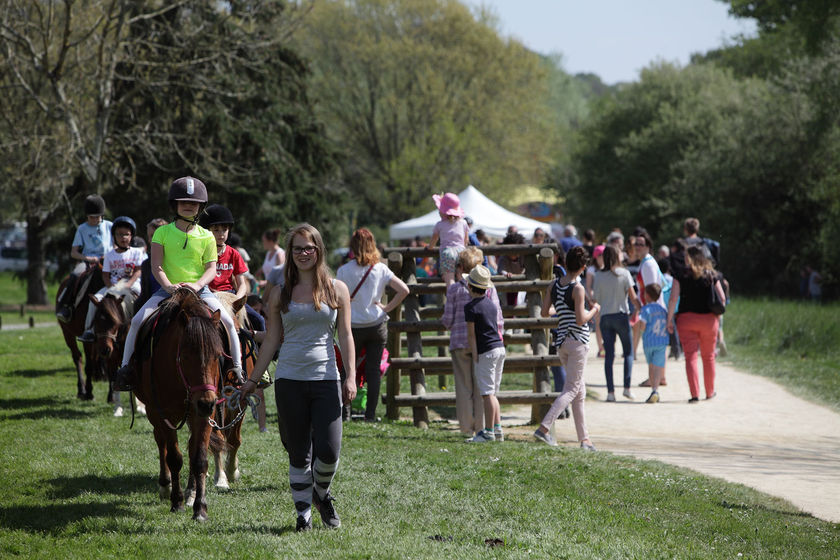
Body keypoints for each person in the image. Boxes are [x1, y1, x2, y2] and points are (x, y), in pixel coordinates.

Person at [240, 223, 356, 532]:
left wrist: (351, 377)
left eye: (309, 248)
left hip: (326, 378)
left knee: (329, 451)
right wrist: (252, 380)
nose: (303, 253)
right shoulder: (280, 293)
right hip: (289, 379)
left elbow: (345, 335)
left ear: (319, 250)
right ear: (290, 254)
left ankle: (322, 494)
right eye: (297, 249)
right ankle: (303, 513)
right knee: (299, 451)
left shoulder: (337, 289)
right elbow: (273, 340)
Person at [113, 177, 244, 389]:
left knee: (228, 322)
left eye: (193, 203)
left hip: (200, 292)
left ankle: (236, 368)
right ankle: (126, 369)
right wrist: (168, 286)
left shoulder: (207, 237)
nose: (188, 206)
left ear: (200, 206)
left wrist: (197, 285)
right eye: (184, 202)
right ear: (174, 204)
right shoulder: (162, 233)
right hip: (168, 291)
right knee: (137, 321)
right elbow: (156, 266)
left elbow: (211, 269)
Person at [336, 228, 409, 422]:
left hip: (352, 326)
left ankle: (345, 412)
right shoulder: (381, 269)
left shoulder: (343, 271)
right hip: (376, 324)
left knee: (347, 369)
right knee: (373, 371)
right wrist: (386, 309)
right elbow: (404, 290)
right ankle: (370, 414)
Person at [534, 246, 599, 451]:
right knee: (571, 389)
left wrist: (561, 308)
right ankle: (544, 428)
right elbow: (581, 319)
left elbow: (545, 312)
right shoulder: (578, 288)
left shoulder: (554, 285)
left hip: (561, 342)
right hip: (578, 342)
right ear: (582, 267)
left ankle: (585, 440)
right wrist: (594, 310)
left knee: (579, 391)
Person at [441, 247, 503, 437]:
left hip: (460, 343)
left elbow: (447, 321)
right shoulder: (489, 289)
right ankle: (482, 428)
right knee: (482, 389)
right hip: (484, 344)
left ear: (460, 267)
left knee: (463, 388)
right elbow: (498, 318)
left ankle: (466, 428)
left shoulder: (454, 289)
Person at [667, 245, 726, 402]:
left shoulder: (680, 275)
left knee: (691, 357)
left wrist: (669, 319)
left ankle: (694, 394)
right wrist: (717, 320)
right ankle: (709, 392)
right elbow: (722, 299)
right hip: (709, 320)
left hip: (686, 321)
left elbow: (673, 298)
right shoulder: (713, 275)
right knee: (708, 357)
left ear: (689, 258)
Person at [77, 216, 146, 342]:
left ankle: (137, 328)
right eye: (119, 234)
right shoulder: (109, 255)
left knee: (138, 301)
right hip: (113, 287)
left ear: (131, 236)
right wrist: (110, 287)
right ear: (114, 236)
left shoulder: (136, 252)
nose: (123, 237)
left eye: (127, 234)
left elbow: (138, 271)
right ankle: (89, 330)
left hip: (131, 285)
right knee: (96, 300)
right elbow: (105, 275)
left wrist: (129, 284)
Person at [592, 245, 640, 402]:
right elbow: (633, 297)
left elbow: (596, 299)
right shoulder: (624, 273)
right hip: (621, 315)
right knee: (628, 353)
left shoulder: (598, 275)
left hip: (605, 317)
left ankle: (610, 392)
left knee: (609, 356)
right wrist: (640, 309)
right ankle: (627, 388)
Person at [464, 265, 506, 443]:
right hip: (499, 348)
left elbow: (471, 335)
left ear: (470, 286)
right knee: (493, 392)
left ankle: (487, 432)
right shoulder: (490, 304)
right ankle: (497, 429)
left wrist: (475, 355)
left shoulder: (470, 307)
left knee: (487, 393)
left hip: (486, 351)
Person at [56, 195, 113, 323]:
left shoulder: (109, 226)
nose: (94, 220)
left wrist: (110, 254)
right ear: (86, 216)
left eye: (97, 217)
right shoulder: (82, 229)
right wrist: (88, 258)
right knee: (75, 275)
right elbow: (74, 253)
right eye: (91, 217)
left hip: (108, 261)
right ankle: (66, 305)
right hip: (88, 261)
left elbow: (116, 245)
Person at [429, 192, 469, 287]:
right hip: (461, 252)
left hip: (447, 252)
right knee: (461, 279)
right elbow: (465, 241)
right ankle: (463, 298)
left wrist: (430, 247)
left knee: (450, 282)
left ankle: (452, 300)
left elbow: (434, 240)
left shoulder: (439, 225)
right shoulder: (463, 223)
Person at [638, 283, 669, 403]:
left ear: (647, 295)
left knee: (651, 366)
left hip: (649, 342)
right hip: (661, 341)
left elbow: (642, 326)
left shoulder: (645, 309)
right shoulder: (662, 310)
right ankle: (655, 390)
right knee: (658, 368)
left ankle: (653, 389)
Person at [135, 218, 167, 309]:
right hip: (153, 304)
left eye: (157, 235)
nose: (153, 239)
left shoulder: (175, 260)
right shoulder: (146, 264)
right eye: (151, 236)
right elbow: (145, 294)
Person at [585, 244, 606, 358]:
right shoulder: (591, 270)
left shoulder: (608, 267)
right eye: (601, 255)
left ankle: (607, 346)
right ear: (596, 256)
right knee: (598, 325)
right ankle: (601, 349)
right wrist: (593, 299)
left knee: (607, 325)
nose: (603, 257)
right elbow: (588, 287)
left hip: (607, 300)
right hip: (596, 300)